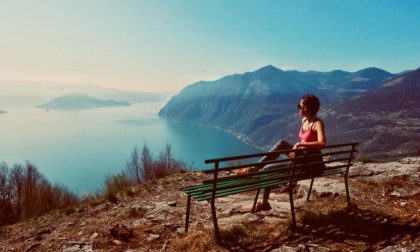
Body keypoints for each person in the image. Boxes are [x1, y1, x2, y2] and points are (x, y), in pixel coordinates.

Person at [252, 94, 326, 212]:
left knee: (267, 169)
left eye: (300, 106)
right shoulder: (304, 120)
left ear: (308, 107)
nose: (299, 108)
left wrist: (299, 144)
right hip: (302, 157)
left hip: (310, 163)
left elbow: (322, 143)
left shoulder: (317, 123)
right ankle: (254, 169)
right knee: (281, 143)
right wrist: (297, 148)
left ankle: (264, 203)